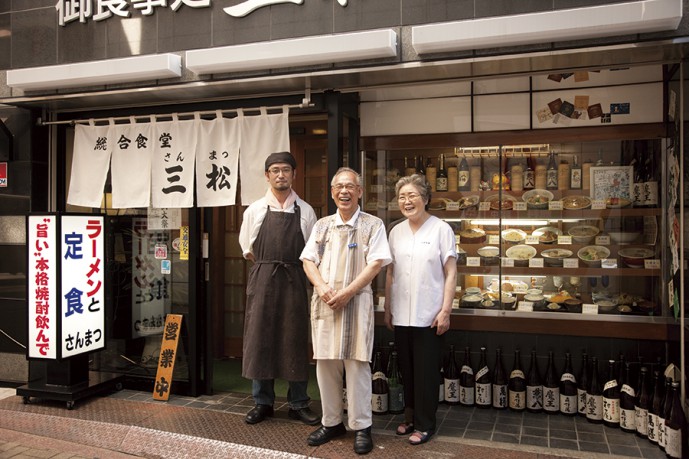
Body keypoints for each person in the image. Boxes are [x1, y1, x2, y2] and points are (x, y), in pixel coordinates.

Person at [300, 167, 391, 455]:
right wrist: (323, 288)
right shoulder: (322, 225)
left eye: (350, 186)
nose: (344, 191)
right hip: (325, 303)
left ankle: (362, 426)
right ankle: (331, 422)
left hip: (356, 303)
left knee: (357, 366)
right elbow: (308, 260)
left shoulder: (373, 224)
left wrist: (348, 292)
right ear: (331, 192)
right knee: (325, 365)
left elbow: (376, 264)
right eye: (339, 187)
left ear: (360, 192)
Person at [238, 151, 320, 426]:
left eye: (286, 170)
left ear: (294, 174)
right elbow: (248, 250)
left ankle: (298, 402)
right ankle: (262, 402)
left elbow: (312, 251)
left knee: (294, 339)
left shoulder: (306, 210)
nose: (281, 175)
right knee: (260, 338)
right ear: (267, 175)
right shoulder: (255, 210)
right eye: (275, 170)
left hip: (294, 279)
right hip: (262, 278)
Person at [384, 174, 457, 445]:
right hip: (402, 314)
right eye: (402, 197)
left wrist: (446, 310)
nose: (407, 201)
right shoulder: (395, 231)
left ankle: (426, 424)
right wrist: (388, 307)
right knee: (408, 368)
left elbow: (451, 272)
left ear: (425, 198)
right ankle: (410, 417)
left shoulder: (441, 229)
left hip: (430, 315)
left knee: (426, 371)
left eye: (412, 195)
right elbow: (391, 273)